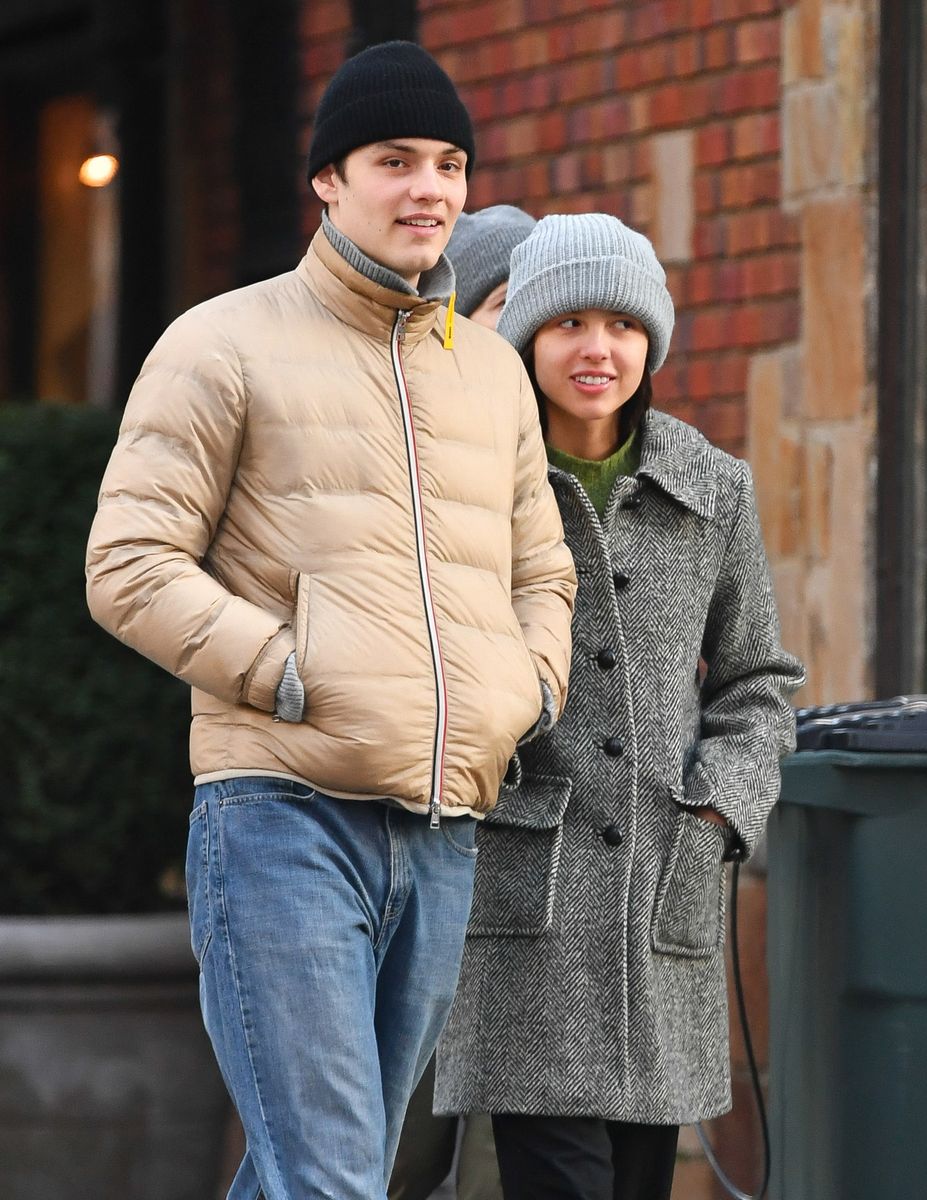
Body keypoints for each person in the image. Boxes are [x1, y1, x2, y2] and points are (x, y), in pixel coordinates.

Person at [85, 42, 576, 1200]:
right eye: (394, 160)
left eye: (449, 163)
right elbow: (127, 563)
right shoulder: (223, 342)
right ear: (328, 181)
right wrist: (287, 670)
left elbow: (541, 572)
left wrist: (529, 692)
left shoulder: (491, 378)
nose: (430, 189)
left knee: (314, 1173)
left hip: (444, 826)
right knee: (336, 1177)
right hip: (279, 817)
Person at [434, 213, 806, 1200]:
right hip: (526, 906)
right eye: (570, 324)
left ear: (653, 342)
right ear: (528, 339)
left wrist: (723, 807)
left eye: (624, 326)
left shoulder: (712, 489)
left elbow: (758, 679)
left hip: (660, 902)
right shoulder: (471, 481)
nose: (599, 349)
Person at [389, 201, 536, 1200]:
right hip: (418, 844)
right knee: (387, 1148)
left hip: (544, 877)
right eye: (503, 306)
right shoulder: (403, 452)